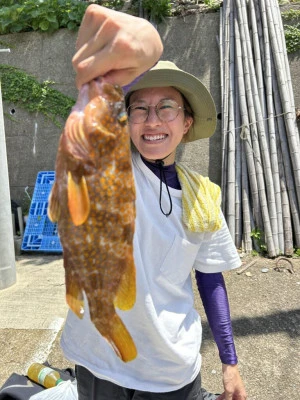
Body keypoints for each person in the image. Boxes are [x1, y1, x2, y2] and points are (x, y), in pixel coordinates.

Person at [62, 5, 247, 400]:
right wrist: (114, 60)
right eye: (140, 109)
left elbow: (210, 280)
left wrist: (229, 363)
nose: (152, 120)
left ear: (186, 123)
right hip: (98, 360)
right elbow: (90, 118)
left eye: (166, 107)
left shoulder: (205, 196)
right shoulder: (108, 166)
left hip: (170, 369)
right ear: (125, 123)